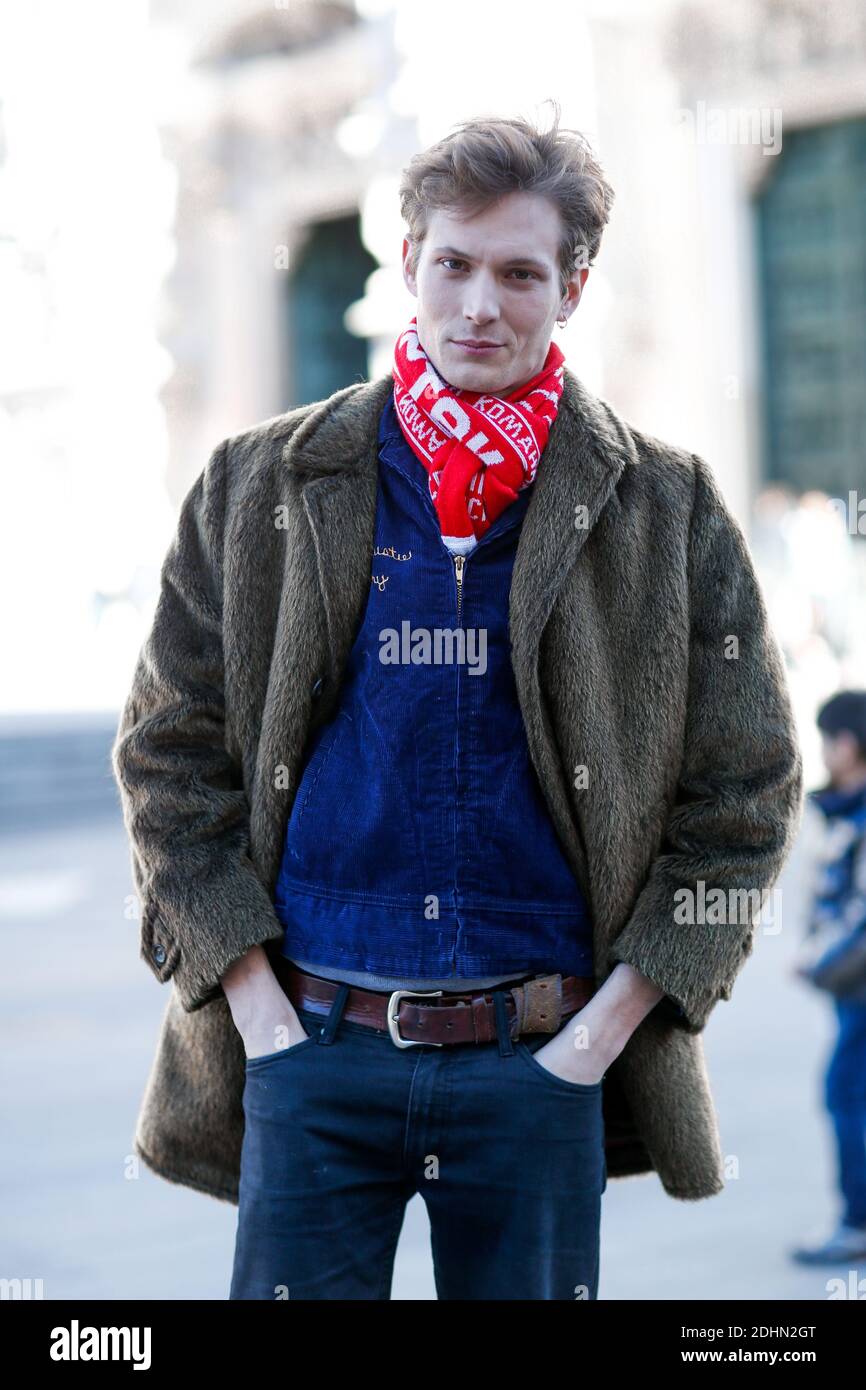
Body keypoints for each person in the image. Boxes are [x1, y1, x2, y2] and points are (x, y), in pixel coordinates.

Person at [111, 106, 804, 1301]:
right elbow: (165, 754)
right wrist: (257, 1010)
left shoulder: (668, 509)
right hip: (310, 1048)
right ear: (408, 267)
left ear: (571, 289)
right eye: (454, 264)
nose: (481, 303)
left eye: (519, 273)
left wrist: (597, 1038)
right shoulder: (256, 482)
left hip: (537, 1064)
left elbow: (744, 790)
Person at [792, 690, 866, 1264]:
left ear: (847, 743)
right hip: (851, 991)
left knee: (845, 1095)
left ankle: (857, 1223)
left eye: (826, 738)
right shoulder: (843, 807)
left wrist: (821, 965)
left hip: (859, 991)